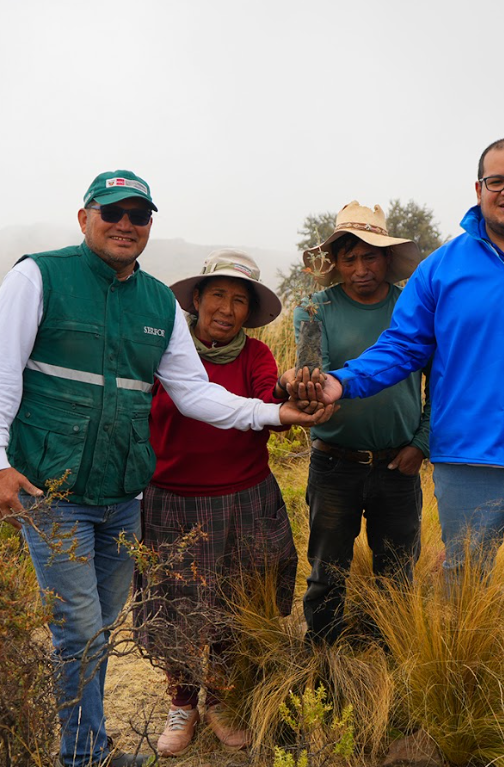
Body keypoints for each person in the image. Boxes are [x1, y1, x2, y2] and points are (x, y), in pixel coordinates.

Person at [0, 171, 330, 767]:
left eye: (138, 215)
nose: (125, 224)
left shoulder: (156, 302)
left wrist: (273, 412)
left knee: (100, 626)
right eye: (112, 212)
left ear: (149, 226)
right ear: (84, 217)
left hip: (122, 496)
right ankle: (83, 755)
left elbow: (195, 393)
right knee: (80, 628)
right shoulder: (38, 276)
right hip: (53, 490)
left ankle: (90, 746)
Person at [286, 139, 504, 717]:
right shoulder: (443, 269)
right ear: (478, 190)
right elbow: (401, 347)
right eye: (496, 181)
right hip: (465, 464)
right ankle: (462, 706)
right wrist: (341, 383)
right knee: (463, 585)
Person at [136, 249, 297, 756]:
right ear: (197, 299)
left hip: (244, 498)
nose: (226, 309)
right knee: (176, 609)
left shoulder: (256, 357)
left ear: (249, 312)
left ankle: (221, 702)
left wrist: (289, 394)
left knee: (235, 602)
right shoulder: (164, 351)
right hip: (172, 501)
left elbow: (269, 402)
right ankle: (182, 703)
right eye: (218, 296)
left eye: (239, 301)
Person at [292, 202, 429, 645]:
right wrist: (309, 396)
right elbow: (313, 375)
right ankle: (323, 663)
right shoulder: (314, 310)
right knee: (326, 572)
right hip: (334, 463)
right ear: (335, 262)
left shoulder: (413, 308)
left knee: (398, 574)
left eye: (370, 256)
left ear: (387, 257)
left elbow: (441, 383)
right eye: (349, 258)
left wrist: (421, 443)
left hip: (399, 464)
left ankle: (392, 661)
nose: (360, 269)